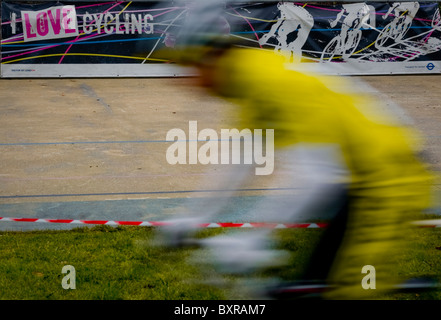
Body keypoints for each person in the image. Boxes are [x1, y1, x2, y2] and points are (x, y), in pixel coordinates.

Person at [162, 0, 435, 299]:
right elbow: (243, 163)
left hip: (390, 178)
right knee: (316, 283)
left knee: (355, 288)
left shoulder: (267, 79)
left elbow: (315, 176)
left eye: (190, 68)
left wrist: (254, 238)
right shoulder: (245, 76)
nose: (188, 82)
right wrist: (194, 217)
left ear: (208, 58)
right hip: (358, 178)